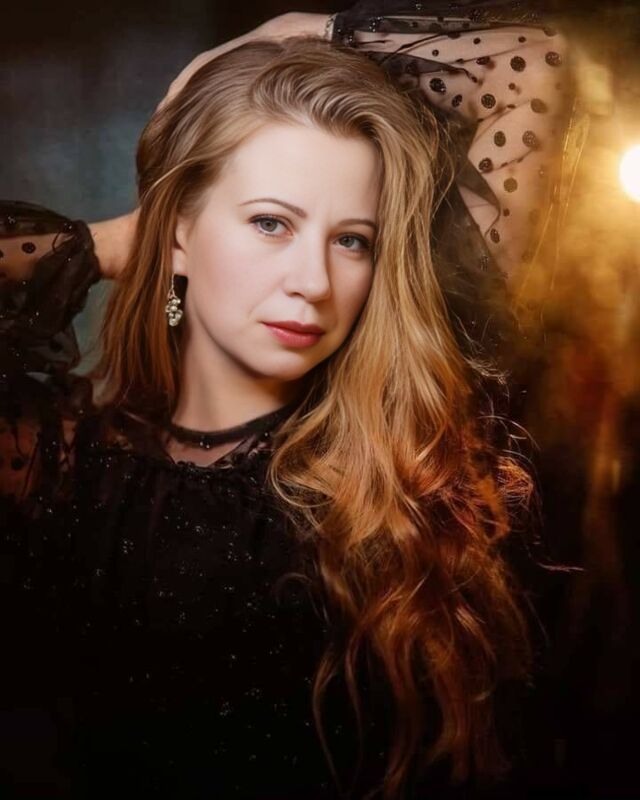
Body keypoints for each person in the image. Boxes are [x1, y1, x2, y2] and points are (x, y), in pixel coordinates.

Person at [0, 4, 573, 799]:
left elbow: (532, 59)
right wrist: (124, 241)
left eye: (352, 240)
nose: (314, 281)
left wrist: (291, 30)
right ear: (179, 231)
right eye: (271, 223)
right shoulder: (61, 465)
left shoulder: (400, 441)